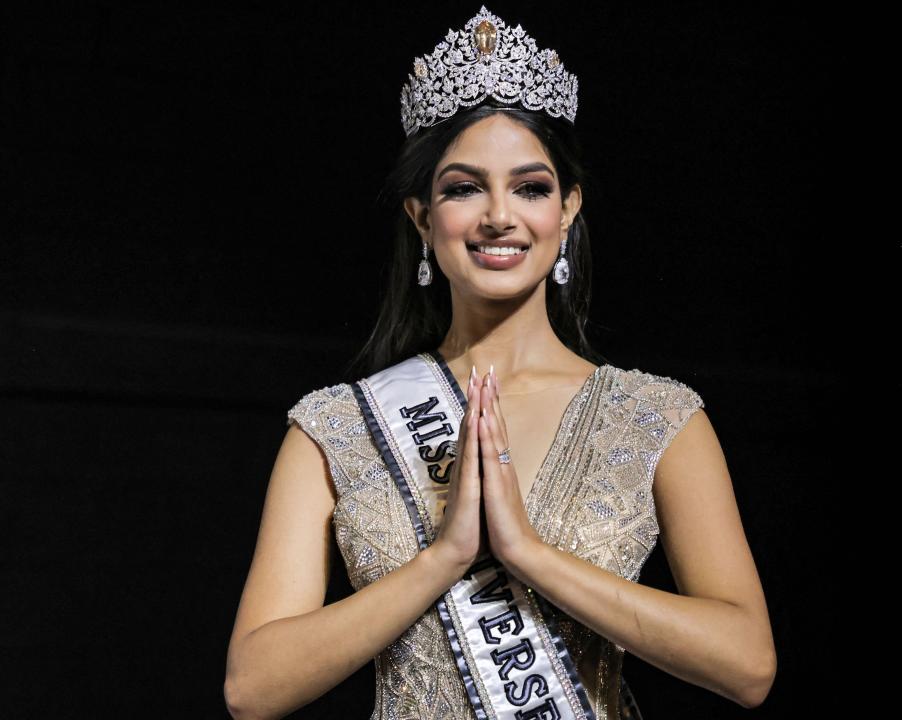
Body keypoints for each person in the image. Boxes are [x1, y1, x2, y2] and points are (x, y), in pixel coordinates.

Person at [224, 6, 776, 719]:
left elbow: (749, 665)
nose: (498, 216)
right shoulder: (335, 425)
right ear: (423, 217)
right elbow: (251, 688)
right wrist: (444, 559)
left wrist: (529, 556)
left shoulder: (659, 417)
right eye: (462, 188)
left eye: (530, 187)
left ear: (568, 208)